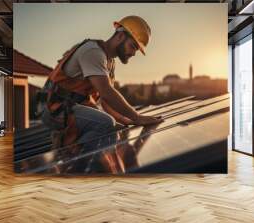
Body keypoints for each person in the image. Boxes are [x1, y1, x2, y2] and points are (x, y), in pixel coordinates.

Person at [41, 15, 163, 172]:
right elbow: (107, 92)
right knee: (105, 124)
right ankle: (70, 166)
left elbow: (105, 101)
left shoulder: (109, 62)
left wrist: (125, 120)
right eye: (133, 46)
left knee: (115, 129)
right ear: (120, 36)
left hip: (72, 109)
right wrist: (137, 117)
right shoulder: (93, 52)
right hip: (55, 110)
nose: (133, 53)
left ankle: (83, 167)